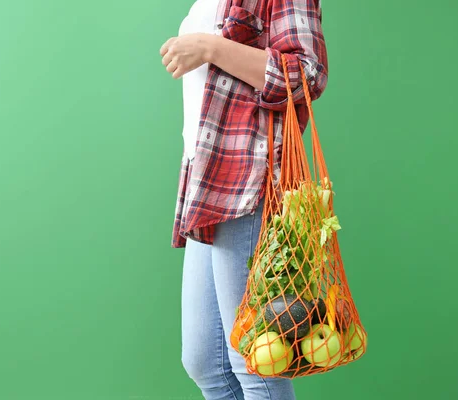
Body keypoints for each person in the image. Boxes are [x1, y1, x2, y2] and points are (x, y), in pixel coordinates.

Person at [159, 1, 327, 399]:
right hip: (209, 177)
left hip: (249, 179)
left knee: (256, 363)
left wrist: (209, 47)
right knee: (205, 361)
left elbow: (306, 74)